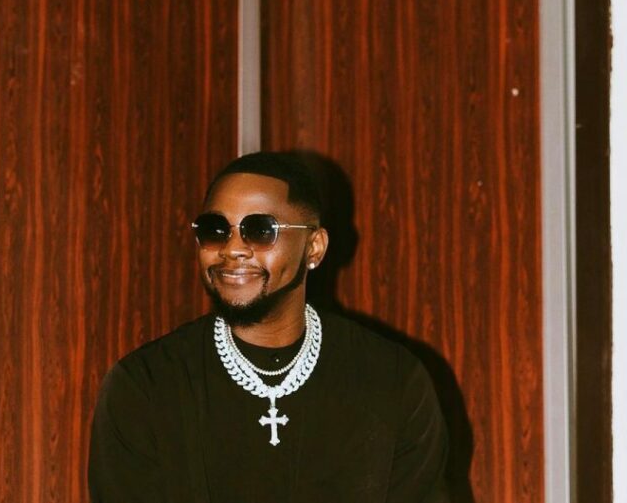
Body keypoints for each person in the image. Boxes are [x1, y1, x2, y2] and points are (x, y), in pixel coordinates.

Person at [88, 152, 449, 502]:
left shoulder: (392, 380)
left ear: (314, 247)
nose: (232, 249)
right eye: (215, 230)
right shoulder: (145, 386)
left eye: (260, 230)